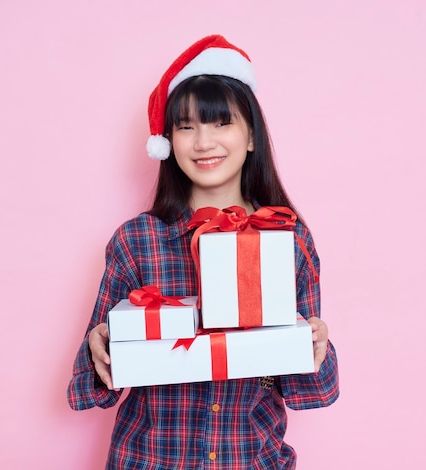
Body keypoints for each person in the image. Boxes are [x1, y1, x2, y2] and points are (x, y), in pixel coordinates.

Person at [67, 34, 339, 469]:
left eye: (220, 123)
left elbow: (311, 393)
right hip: (151, 459)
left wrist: (315, 345)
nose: (203, 142)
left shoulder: (287, 240)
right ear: (169, 143)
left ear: (251, 137)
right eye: (186, 127)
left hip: (252, 459)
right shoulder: (138, 241)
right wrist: (99, 350)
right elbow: (88, 391)